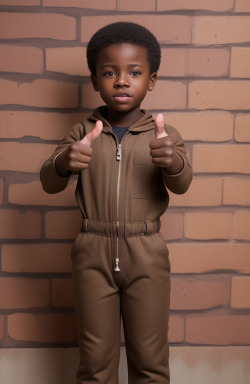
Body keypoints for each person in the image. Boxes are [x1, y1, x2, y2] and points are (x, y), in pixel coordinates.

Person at [40, 22, 192, 384]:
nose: (122, 81)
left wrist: (172, 161)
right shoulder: (82, 132)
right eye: (109, 72)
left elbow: (182, 183)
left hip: (147, 253)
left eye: (134, 73)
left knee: (151, 361)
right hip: (92, 251)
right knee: (94, 364)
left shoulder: (164, 135)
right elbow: (48, 182)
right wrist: (64, 161)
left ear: (150, 81)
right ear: (95, 81)